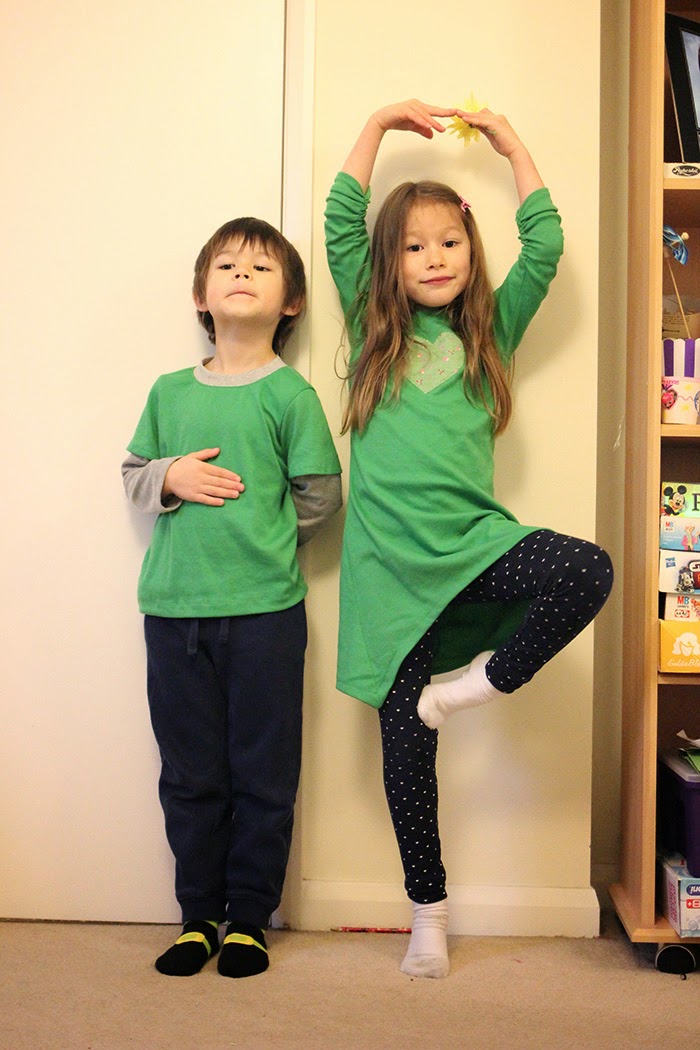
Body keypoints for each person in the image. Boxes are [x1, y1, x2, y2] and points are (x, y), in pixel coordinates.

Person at [324, 99, 613, 979]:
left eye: (449, 241)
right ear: (388, 264)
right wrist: (378, 124)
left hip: (472, 551)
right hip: (388, 577)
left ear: (470, 249)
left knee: (586, 569)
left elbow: (547, 245)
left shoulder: (491, 328)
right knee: (406, 755)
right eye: (414, 247)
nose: (435, 257)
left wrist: (512, 144)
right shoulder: (372, 327)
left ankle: (471, 688)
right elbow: (340, 222)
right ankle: (429, 915)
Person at [123, 217, 342, 978]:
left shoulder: (291, 395)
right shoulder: (169, 392)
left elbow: (320, 497)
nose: (242, 274)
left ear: (292, 302)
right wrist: (171, 476)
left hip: (266, 618)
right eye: (226, 265)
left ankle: (248, 919)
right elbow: (133, 476)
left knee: (263, 772)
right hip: (173, 614)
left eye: (261, 266)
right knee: (190, 775)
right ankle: (198, 917)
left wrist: (265, 546)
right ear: (200, 295)